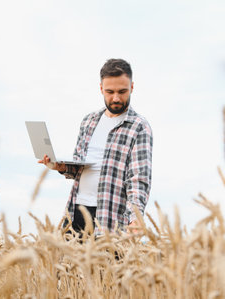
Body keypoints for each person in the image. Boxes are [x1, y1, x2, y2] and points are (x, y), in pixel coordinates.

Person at [38, 58, 153, 235]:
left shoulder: (139, 126)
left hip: (110, 218)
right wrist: (60, 167)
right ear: (101, 89)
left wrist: (135, 216)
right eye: (110, 92)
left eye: (122, 91)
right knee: (68, 263)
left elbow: (138, 178)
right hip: (76, 212)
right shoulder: (89, 121)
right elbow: (79, 166)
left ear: (132, 87)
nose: (116, 98)